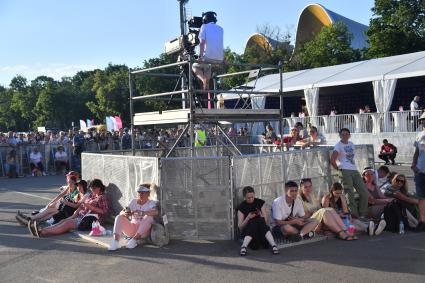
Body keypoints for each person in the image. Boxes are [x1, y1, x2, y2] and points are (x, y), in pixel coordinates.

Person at [28, 179, 109, 237]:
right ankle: (42, 230)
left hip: (91, 220)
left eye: (94, 189)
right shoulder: (92, 195)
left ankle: (43, 232)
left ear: (99, 187)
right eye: (91, 189)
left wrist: (90, 207)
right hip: (81, 216)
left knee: (67, 224)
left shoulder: (102, 197)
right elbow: (82, 206)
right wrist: (76, 213)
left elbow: (104, 212)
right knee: (63, 221)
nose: (92, 191)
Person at [330, 128, 369, 219]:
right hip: (345, 170)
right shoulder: (338, 146)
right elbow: (332, 160)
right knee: (349, 193)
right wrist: (339, 169)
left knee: (364, 192)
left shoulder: (351, 144)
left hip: (354, 169)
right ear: (340, 136)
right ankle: (354, 214)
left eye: (346, 134)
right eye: (342, 134)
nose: (345, 136)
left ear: (349, 135)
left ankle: (363, 213)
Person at [322, 183, 386, 236]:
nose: (338, 195)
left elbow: (345, 210)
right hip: (332, 218)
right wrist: (339, 215)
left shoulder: (341, 197)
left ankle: (370, 228)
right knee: (350, 224)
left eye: (340, 193)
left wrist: (347, 214)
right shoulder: (327, 197)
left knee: (354, 221)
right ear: (332, 191)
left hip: (341, 216)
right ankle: (368, 229)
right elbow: (326, 212)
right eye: (336, 193)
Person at [108, 184, 158, 251]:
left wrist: (142, 213)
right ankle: (115, 242)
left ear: (148, 193)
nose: (140, 194)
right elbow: (122, 212)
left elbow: (155, 212)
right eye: (139, 192)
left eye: (142, 193)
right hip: (132, 229)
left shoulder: (151, 203)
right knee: (119, 217)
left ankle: (134, 240)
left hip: (144, 232)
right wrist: (126, 213)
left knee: (149, 217)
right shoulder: (133, 201)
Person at [237, 186, 279, 256]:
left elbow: (265, 222)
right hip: (249, 234)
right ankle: (274, 245)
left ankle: (243, 247)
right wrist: (248, 218)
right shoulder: (242, 207)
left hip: (261, 231)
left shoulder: (260, 202)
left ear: (254, 195)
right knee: (252, 222)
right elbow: (240, 227)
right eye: (248, 198)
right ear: (244, 197)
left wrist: (261, 215)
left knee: (259, 220)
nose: (251, 199)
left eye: (252, 197)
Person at [192, 11, 224, 91]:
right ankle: (207, 81)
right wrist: (224, 59)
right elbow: (219, 44)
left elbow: (202, 43)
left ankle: (203, 80)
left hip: (208, 57)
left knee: (194, 66)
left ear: (205, 20)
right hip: (219, 58)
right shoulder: (221, 29)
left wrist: (200, 56)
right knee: (208, 66)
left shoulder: (204, 26)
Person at [411, 112, 425, 231]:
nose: (422, 121)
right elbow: (416, 152)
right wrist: (413, 165)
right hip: (420, 170)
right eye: (421, 120)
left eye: (424, 119)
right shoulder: (419, 135)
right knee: (421, 197)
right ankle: (422, 221)